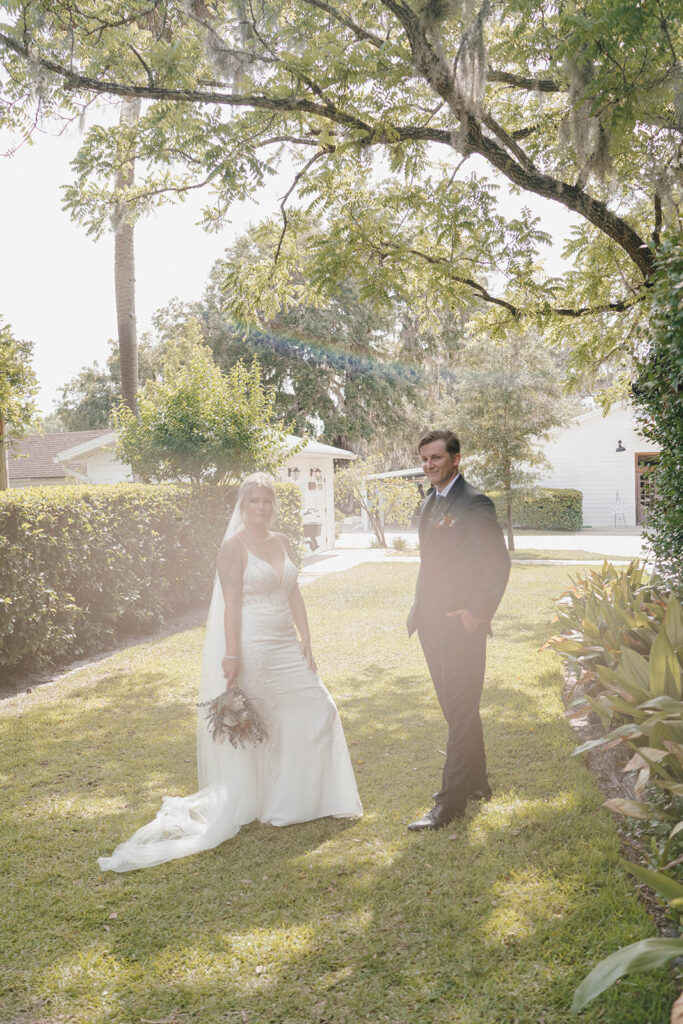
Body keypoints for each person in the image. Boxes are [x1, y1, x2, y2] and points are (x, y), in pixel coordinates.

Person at [98, 473, 362, 872]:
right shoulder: (231, 548)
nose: (261, 507)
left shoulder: (284, 542)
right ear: (243, 505)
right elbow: (232, 605)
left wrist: (306, 638)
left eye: (266, 501)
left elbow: (294, 591)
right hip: (253, 645)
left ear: (274, 506)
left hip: (287, 645)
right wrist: (232, 655)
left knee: (320, 709)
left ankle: (315, 797)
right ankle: (273, 804)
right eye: (253, 501)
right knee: (267, 726)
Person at [406, 430, 510, 831]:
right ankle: (478, 782)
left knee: (461, 710)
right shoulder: (430, 502)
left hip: (461, 625)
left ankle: (449, 803)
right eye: (425, 459)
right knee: (456, 709)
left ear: (456, 459)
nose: (429, 464)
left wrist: (477, 613)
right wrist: (417, 608)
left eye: (436, 458)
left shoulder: (474, 503)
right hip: (430, 624)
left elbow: (497, 563)